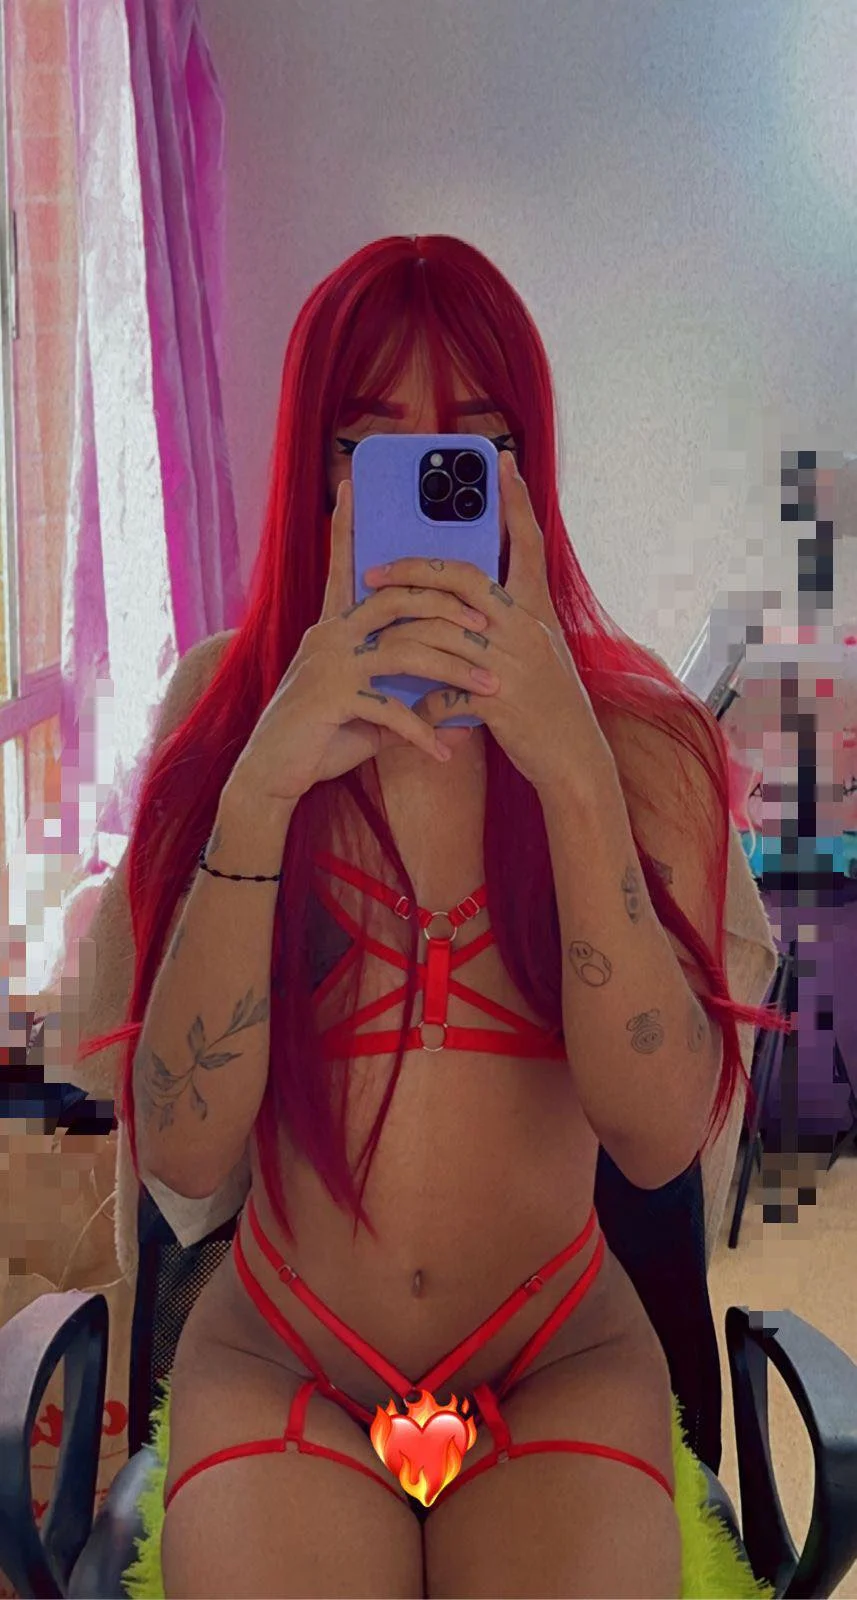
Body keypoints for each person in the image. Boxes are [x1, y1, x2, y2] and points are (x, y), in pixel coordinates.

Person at [79, 235, 781, 1599]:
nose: (423, 488)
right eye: (369, 447)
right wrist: (263, 790)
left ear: (526, 472)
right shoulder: (226, 709)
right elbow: (183, 1151)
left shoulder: (639, 736)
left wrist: (574, 774)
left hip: (557, 1354)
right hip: (285, 1356)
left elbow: (656, 1144)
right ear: (316, 474)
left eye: (472, 447)